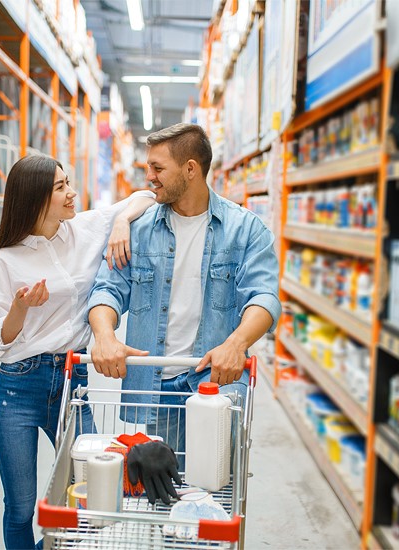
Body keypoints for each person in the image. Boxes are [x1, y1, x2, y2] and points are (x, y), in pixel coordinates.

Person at [86, 123, 281, 496]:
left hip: (213, 386)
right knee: (159, 497)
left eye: (158, 168)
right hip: (152, 386)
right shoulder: (138, 229)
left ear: (191, 169)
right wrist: (105, 335)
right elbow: (107, 289)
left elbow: (264, 297)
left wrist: (236, 343)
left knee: (214, 496)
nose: (149, 178)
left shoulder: (245, 230)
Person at [0, 154, 155, 550]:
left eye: (67, 183)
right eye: (60, 187)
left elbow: (144, 195)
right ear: (36, 198)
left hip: (72, 384)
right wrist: (20, 308)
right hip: (17, 389)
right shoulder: (6, 260)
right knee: (22, 507)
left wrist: (122, 222)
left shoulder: (86, 228)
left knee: (95, 489)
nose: (71, 193)